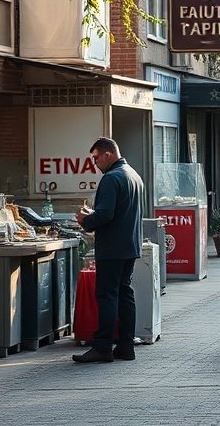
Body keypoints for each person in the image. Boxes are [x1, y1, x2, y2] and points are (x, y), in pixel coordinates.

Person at [73, 137, 145, 363]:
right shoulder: (133, 175)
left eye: (96, 158)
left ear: (108, 154)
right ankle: (125, 346)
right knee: (125, 294)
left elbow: (106, 214)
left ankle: (102, 347)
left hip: (112, 248)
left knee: (107, 296)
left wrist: (86, 220)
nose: (95, 163)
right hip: (129, 246)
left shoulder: (111, 178)